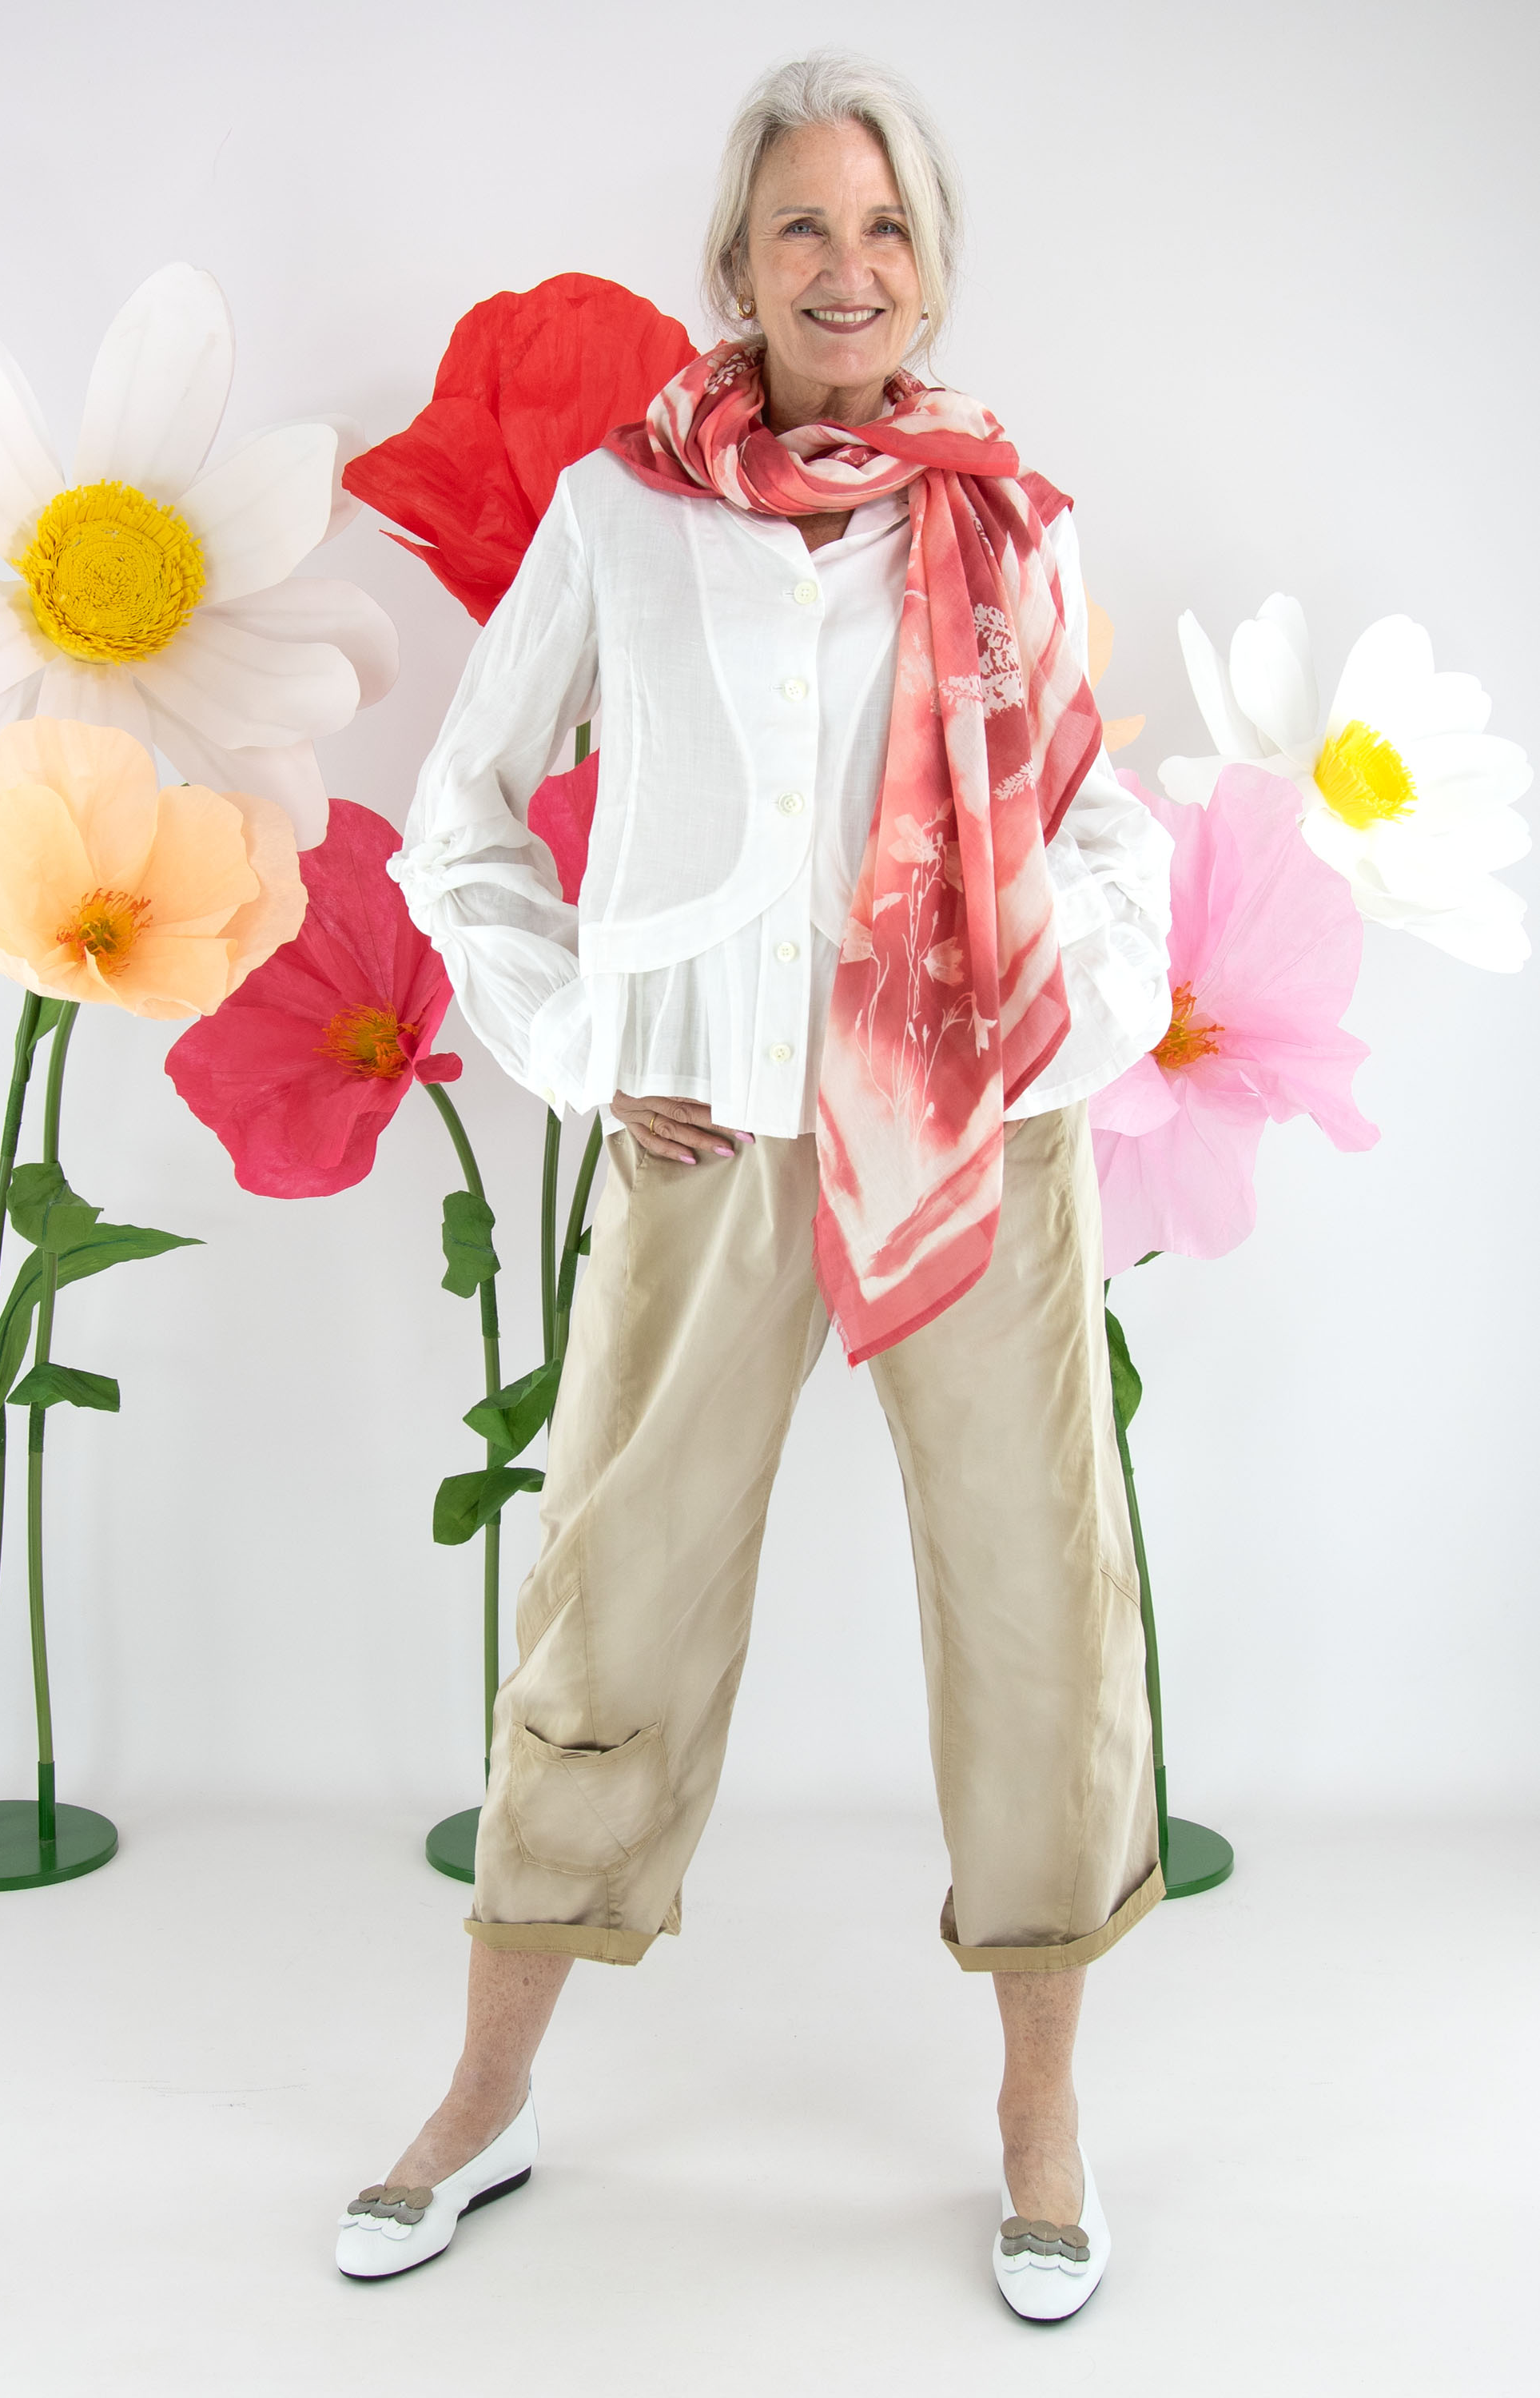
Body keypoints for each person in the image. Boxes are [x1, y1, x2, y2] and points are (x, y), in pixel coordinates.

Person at [340, 50, 1172, 2320]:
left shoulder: (1005, 522)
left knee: (1036, 1608)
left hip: (965, 1139)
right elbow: (460, 816)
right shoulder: (625, 515)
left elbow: (1098, 829)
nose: (846, 266)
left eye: (883, 228)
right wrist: (586, 1043)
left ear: (931, 269)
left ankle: (1038, 2119)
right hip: (704, 1128)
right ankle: (485, 2095)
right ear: (736, 261)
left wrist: (1056, 1028)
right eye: (802, 225)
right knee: (608, 1600)